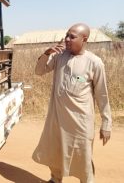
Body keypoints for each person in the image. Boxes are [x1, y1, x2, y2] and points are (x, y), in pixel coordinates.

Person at [32, 23, 112, 183]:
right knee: (55, 152)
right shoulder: (59, 56)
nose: (67, 39)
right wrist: (46, 53)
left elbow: (102, 95)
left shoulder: (94, 62)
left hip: (80, 122)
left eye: (72, 36)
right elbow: (39, 71)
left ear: (84, 39)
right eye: (66, 35)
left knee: (83, 158)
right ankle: (55, 178)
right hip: (57, 119)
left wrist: (106, 123)